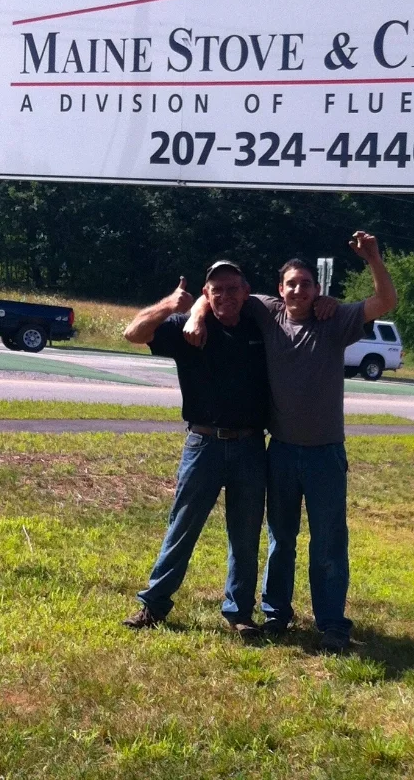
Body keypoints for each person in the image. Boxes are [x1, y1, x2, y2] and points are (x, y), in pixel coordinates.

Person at [185, 231, 397, 653]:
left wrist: (372, 257)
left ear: (318, 290)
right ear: (279, 291)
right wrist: (194, 313)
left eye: (306, 283)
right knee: (281, 538)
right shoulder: (266, 312)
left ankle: (332, 624)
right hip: (279, 451)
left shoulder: (334, 320)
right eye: (291, 284)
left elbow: (385, 301)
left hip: (325, 455)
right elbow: (216, 293)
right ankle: (276, 614)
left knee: (329, 541)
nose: (298, 289)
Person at [120, 262, 270, 641]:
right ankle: (154, 605)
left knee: (246, 533)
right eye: (216, 289)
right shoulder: (187, 331)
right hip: (203, 445)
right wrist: (174, 305)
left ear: (246, 291)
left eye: (233, 288)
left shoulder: (260, 324)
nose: (225, 296)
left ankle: (239, 612)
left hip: (251, 445)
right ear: (206, 293)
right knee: (182, 527)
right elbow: (133, 333)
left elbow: (291, 303)